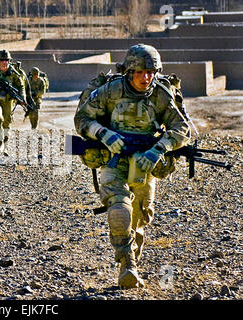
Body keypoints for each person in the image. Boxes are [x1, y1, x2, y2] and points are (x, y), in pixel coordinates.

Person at [74, 44, 191, 289]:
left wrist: (158, 149)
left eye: (151, 72)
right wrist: (103, 133)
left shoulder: (160, 95)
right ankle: (127, 264)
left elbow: (181, 129)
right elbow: (82, 118)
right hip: (113, 160)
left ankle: (132, 261)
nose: (146, 77)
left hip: (145, 162)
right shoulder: (110, 91)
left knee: (139, 217)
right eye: (140, 72)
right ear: (129, 71)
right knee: (119, 209)